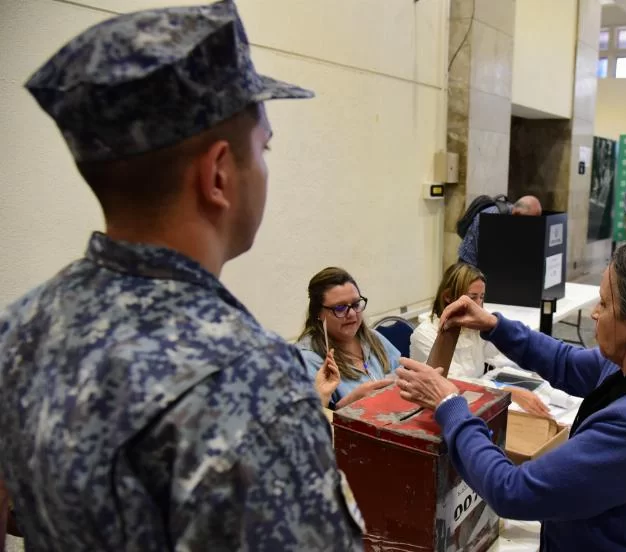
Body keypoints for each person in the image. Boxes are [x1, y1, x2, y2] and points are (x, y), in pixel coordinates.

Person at [0, 2, 363, 550]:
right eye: (263, 147)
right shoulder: (250, 379)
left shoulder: (19, 328)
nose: (265, 166)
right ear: (218, 173)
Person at [396, 240, 626, 552]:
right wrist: (495, 326)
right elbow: (566, 362)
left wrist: (451, 407)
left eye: (604, 303)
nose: (594, 314)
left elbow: (513, 491)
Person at [410, 263, 550, 417]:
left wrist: (533, 369)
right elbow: (454, 382)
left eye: (481, 297)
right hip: (443, 410)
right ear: (448, 296)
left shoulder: (471, 326)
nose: (478, 306)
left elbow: (497, 355)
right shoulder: (425, 334)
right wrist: (508, 391)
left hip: (477, 401)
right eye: (472, 298)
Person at [298, 267, 400, 409]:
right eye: (340, 308)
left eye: (356, 304)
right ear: (318, 313)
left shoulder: (374, 338)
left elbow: (403, 374)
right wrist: (350, 404)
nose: (352, 313)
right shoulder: (306, 360)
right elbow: (313, 422)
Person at [458, 195, 542, 266]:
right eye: (530, 222)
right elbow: (484, 255)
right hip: (469, 266)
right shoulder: (491, 219)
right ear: (517, 214)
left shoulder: (514, 214)